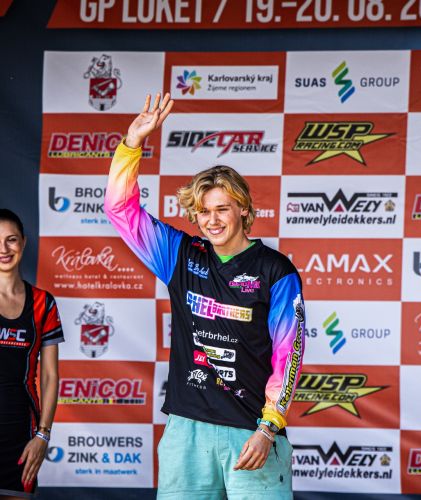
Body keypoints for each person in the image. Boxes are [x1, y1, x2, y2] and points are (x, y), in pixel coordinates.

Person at [104, 93, 305, 499]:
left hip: (251, 431)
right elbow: (120, 210)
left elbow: (290, 354)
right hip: (187, 430)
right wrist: (132, 143)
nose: (212, 220)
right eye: (203, 211)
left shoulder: (276, 270)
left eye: (222, 209)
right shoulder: (180, 254)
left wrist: (268, 428)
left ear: (244, 209)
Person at [0, 209, 64, 499]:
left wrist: (43, 434)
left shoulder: (43, 303)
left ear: (23, 243)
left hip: (20, 434)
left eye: (11, 240)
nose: (4, 249)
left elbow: (50, 376)